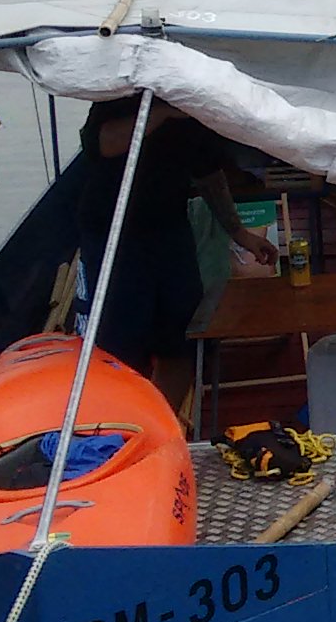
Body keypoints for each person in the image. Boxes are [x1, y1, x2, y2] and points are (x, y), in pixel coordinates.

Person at [74, 96, 275, 398]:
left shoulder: (193, 103)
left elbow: (208, 173)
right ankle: (128, 422)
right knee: (120, 344)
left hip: (170, 230)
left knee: (183, 336)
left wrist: (237, 231)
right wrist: (163, 113)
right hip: (112, 234)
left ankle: (165, 421)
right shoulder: (119, 91)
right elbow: (103, 143)